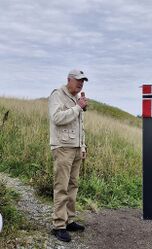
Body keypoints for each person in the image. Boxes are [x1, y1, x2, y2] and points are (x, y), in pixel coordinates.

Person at [48, 69, 88, 242]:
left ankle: (69, 220)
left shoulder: (76, 99)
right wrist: (78, 107)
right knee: (62, 186)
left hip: (76, 148)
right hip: (63, 147)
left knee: (73, 185)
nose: (80, 84)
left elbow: (80, 126)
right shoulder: (58, 95)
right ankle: (59, 225)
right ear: (69, 80)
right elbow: (56, 118)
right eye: (78, 80)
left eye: (83, 81)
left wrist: (83, 146)